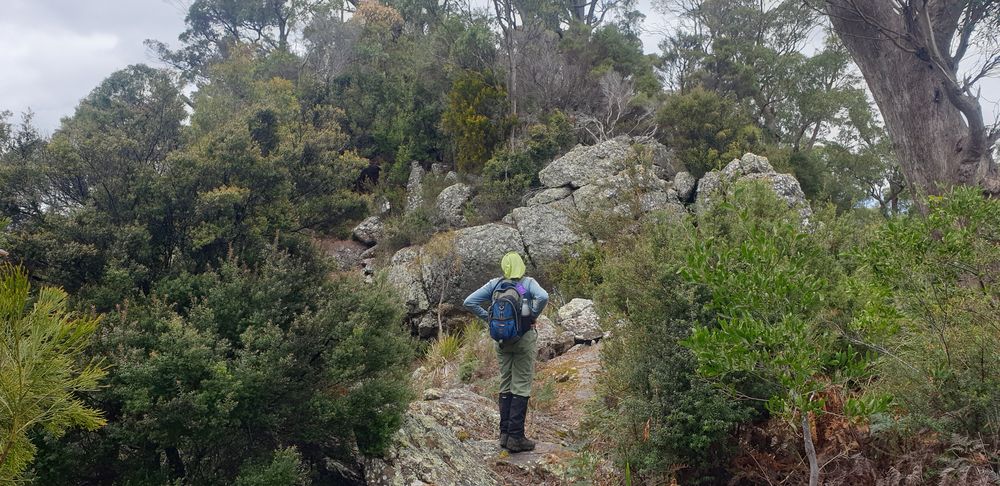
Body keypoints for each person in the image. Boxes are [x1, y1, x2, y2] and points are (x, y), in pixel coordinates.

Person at [463, 252, 548, 453]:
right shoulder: (525, 285)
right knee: (521, 384)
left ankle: (504, 435)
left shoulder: (495, 284)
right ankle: (516, 438)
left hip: (501, 340)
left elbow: (469, 302)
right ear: (521, 266)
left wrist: (489, 318)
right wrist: (532, 315)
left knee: (506, 382)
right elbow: (543, 296)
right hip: (523, 339)